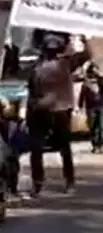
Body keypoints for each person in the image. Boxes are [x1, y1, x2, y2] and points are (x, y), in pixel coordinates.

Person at [27, 30, 92, 196]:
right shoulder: (39, 66)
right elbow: (32, 90)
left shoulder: (65, 63)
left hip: (59, 110)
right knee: (38, 149)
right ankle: (39, 183)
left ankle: (67, 181)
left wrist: (84, 38)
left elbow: (86, 55)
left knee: (61, 148)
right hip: (42, 111)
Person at [78, 63, 103, 154]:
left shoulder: (102, 80)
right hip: (91, 107)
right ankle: (95, 145)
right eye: (92, 71)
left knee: (102, 127)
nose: (93, 73)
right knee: (92, 128)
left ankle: (101, 145)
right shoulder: (86, 83)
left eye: (95, 71)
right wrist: (80, 106)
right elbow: (82, 95)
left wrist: (99, 80)